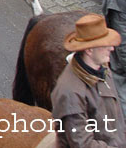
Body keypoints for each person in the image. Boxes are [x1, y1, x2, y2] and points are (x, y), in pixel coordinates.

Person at [51, 13, 126, 147]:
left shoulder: (102, 67)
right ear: (90, 50)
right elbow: (82, 144)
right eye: (105, 45)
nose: (112, 48)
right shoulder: (70, 92)